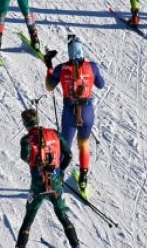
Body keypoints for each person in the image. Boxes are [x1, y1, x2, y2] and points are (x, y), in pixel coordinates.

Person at [43, 35, 105, 196]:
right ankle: (83, 178)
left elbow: (49, 86)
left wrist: (49, 65)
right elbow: (101, 84)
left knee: (64, 147)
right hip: (87, 113)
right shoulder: (92, 66)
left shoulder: (61, 68)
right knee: (84, 143)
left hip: (70, 113)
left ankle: (56, 178)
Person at [15, 107, 80, 248]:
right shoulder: (54, 133)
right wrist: (60, 170)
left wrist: (33, 161)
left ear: (25, 123)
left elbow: (24, 156)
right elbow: (68, 155)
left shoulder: (26, 140)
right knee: (62, 215)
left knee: (29, 218)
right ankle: (76, 245)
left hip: (38, 183)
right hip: (55, 180)